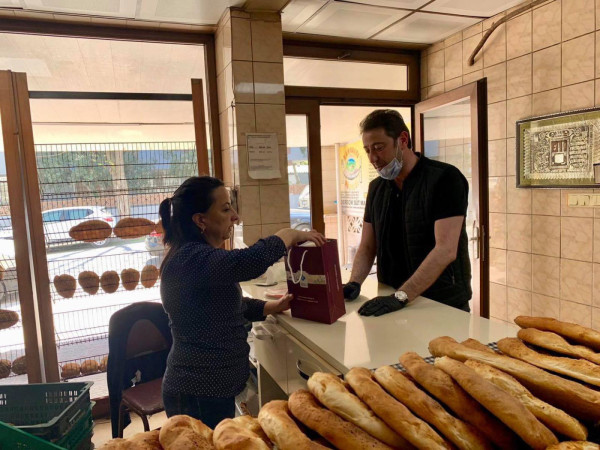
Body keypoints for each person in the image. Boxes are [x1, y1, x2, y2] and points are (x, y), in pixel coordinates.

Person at [158, 176, 325, 427]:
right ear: (201, 220)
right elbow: (248, 262)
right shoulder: (190, 258)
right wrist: (287, 236)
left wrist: (270, 307)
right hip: (198, 392)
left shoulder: (196, 256)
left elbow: (221, 307)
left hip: (210, 389)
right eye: (226, 209)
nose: (235, 217)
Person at [343, 109, 471, 316]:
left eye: (379, 148)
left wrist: (401, 296)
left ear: (402, 140)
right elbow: (367, 246)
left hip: (440, 303)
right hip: (391, 298)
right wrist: (354, 283)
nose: (373, 158)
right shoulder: (377, 188)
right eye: (367, 150)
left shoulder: (444, 179)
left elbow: (445, 250)